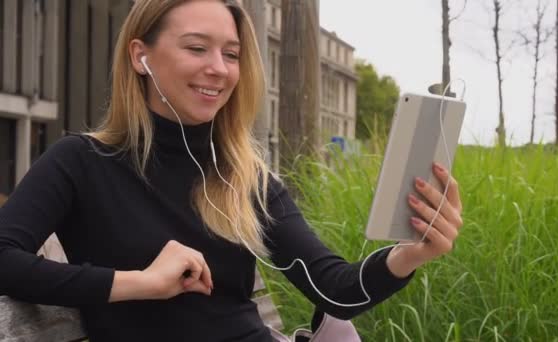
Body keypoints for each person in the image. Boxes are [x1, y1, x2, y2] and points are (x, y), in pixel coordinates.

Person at [0, 0, 463, 341]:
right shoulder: (80, 162)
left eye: (232, 54)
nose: (218, 69)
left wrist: (411, 254)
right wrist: (141, 283)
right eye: (197, 48)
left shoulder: (245, 178)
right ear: (140, 56)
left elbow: (335, 290)